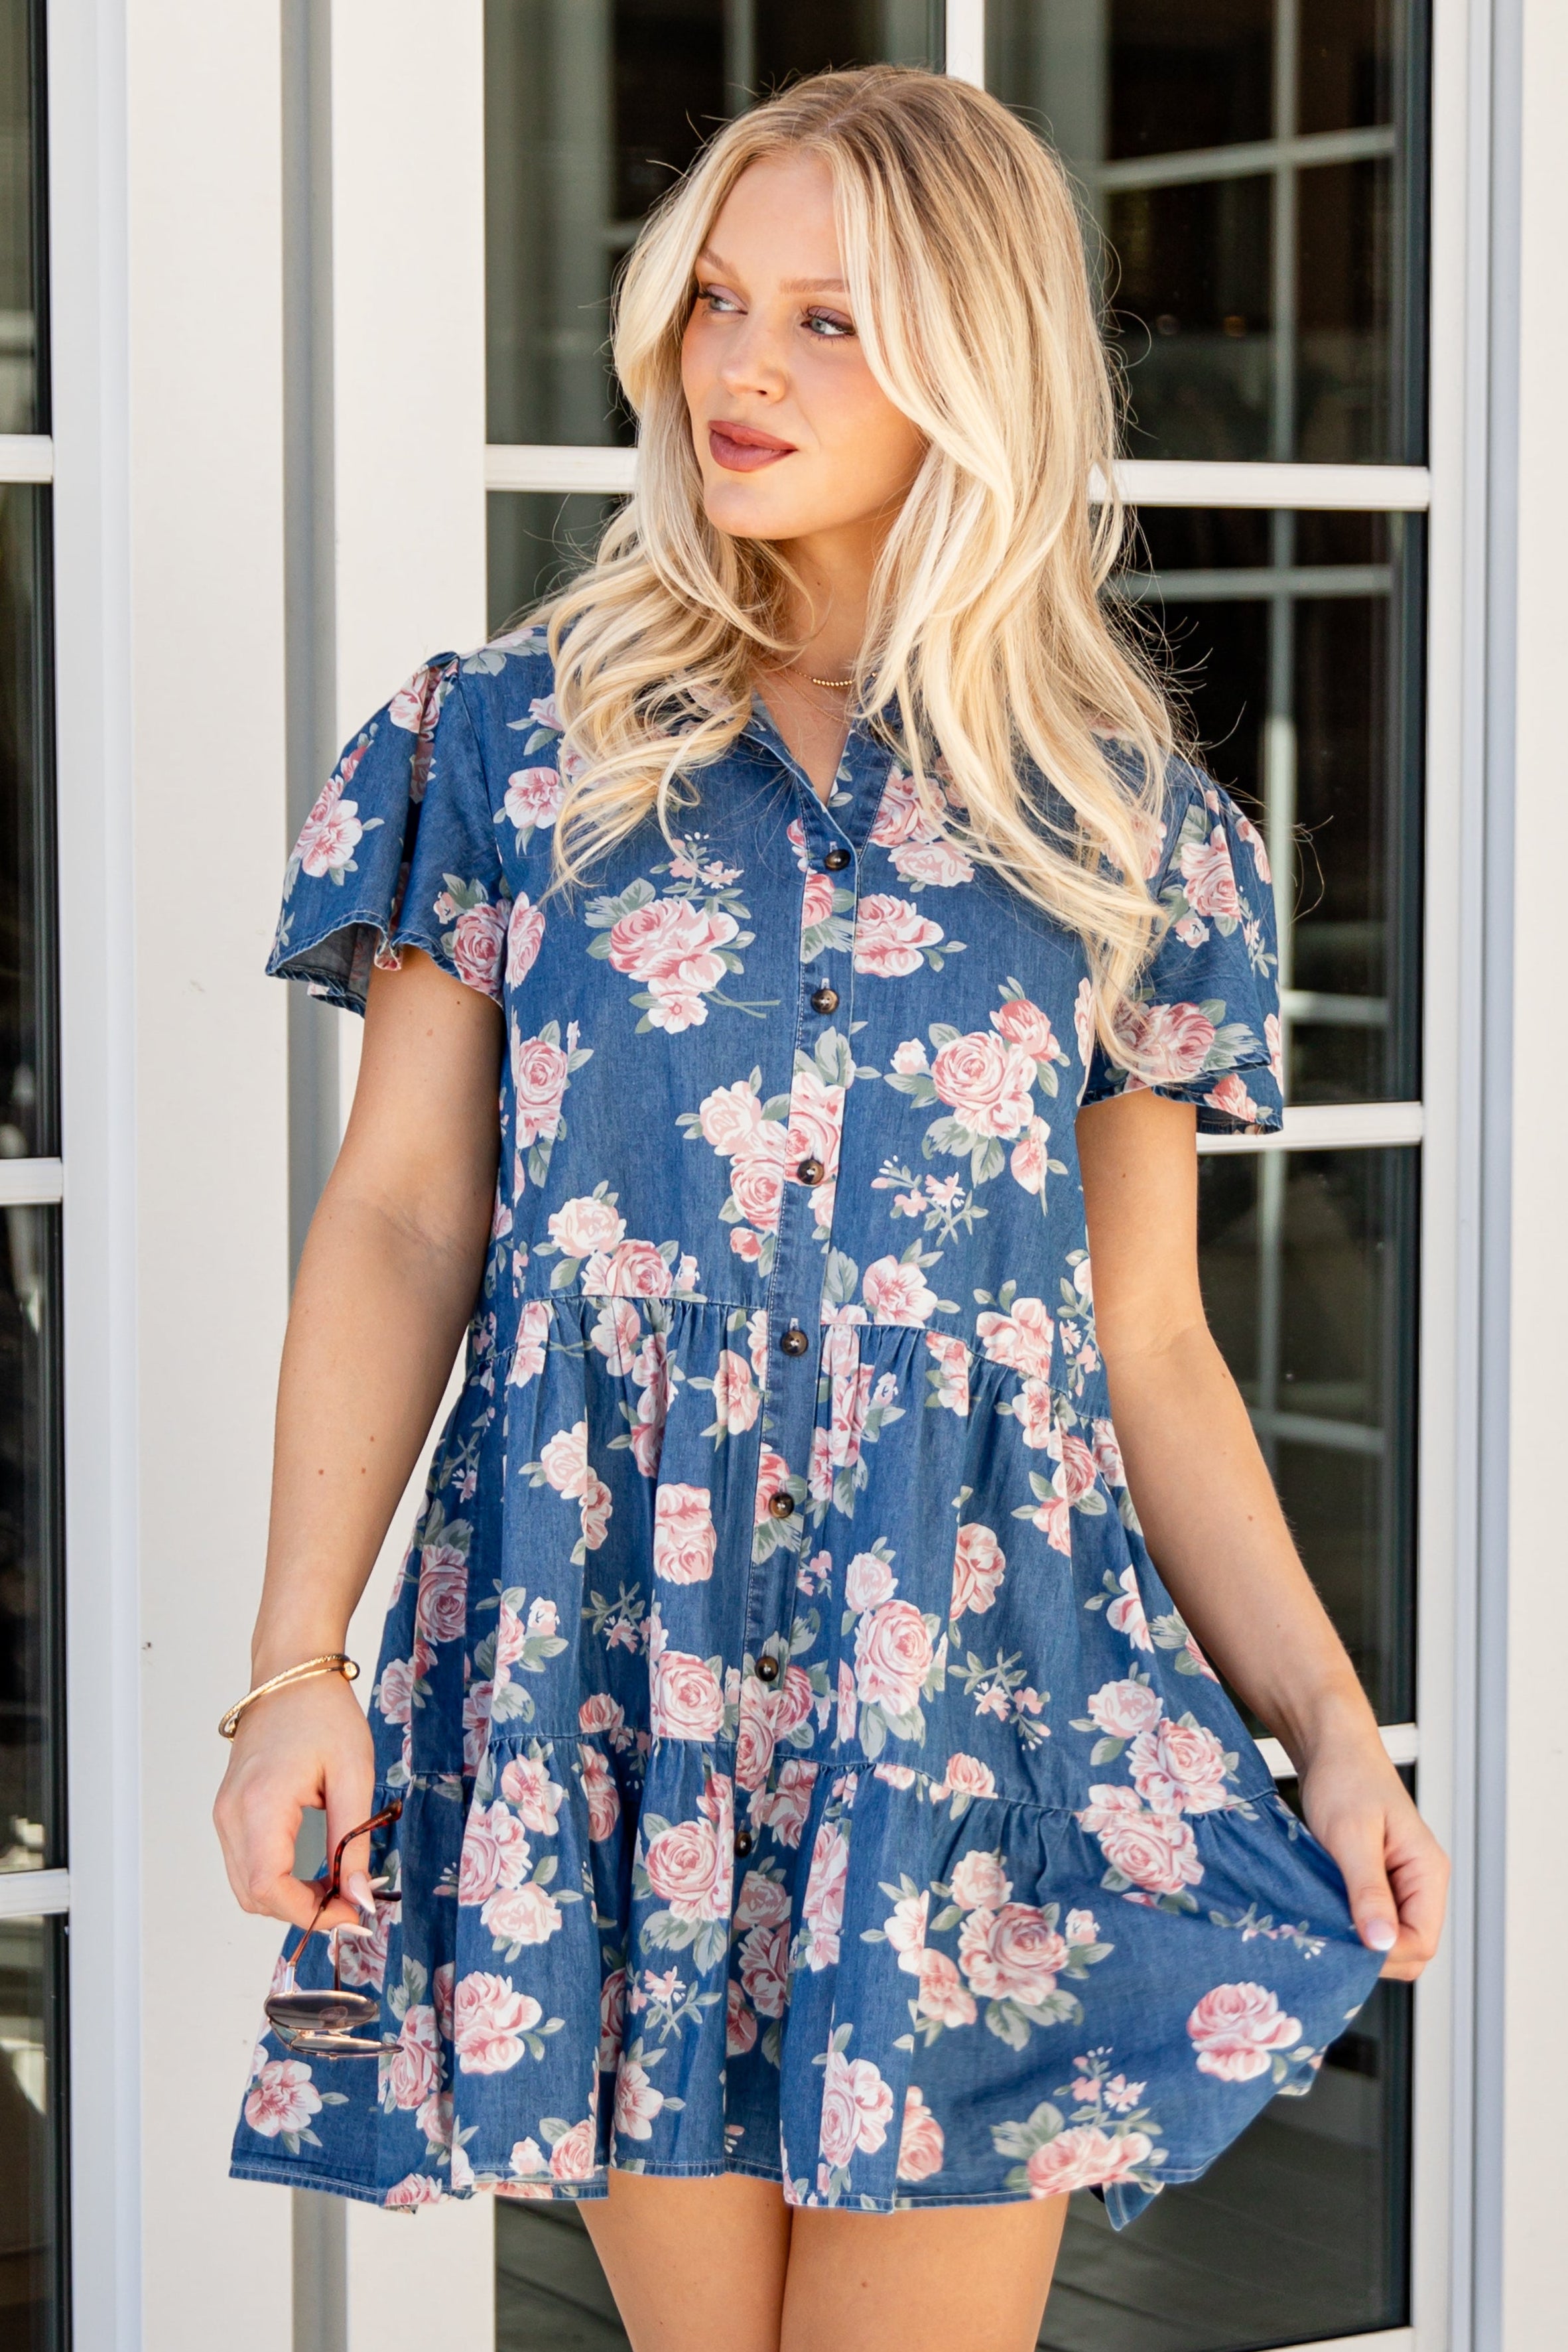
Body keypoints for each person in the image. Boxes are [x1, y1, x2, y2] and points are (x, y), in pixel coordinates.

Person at [215, 66, 1447, 2352]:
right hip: (609, 1672)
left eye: (830, 322)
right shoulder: (502, 744)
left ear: (977, 362)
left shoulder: (1119, 826)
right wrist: (298, 1668)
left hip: (960, 1701)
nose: (740, 368)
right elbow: (399, 1219)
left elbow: (1148, 1337)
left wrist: (1332, 1721)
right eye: (713, 302)